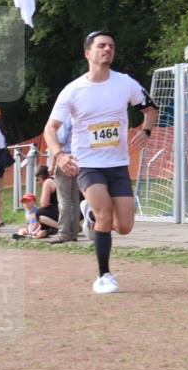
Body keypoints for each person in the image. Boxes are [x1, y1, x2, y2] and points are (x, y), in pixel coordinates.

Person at [43, 30, 158, 294]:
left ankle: (90, 213)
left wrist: (146, 130)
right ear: (88, 53)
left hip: (117, 164)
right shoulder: (73, 91)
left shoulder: (125, 83)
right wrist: (60, 155)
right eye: (101, 46)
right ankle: (104, 275)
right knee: (106, 214)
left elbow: (150, 109)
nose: (107, 49)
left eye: (111, 46)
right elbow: (50, 128)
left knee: (125, 226)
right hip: (88, 164)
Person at [48, 117, 81, 244]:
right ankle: (73, 231)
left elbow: (59, 144)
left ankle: (63, 232)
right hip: (77, 159)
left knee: (64, 198)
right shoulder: (78, 117)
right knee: (74, 198)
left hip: (65, 159)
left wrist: (52, 165)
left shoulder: (64, 119)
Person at [34, 164, 60, 232]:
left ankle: (63, 228)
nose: (37, 181)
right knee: (43, 218)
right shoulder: (55, 178)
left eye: (37, 179)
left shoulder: (48, 182)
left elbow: (44, 204)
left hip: (63, 209)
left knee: (39, 212)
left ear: (41, 176)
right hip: (75, 209)